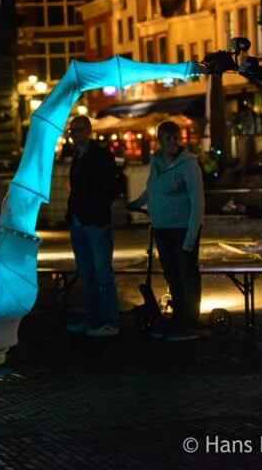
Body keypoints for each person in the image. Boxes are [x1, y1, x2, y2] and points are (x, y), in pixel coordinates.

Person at [128, 121, 205, 342]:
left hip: (182, 228)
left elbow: (197, 202)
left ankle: (189, 325)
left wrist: (191, 237)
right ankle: (179, 319)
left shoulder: (189, 166)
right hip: (162, 228)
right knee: (172, 275)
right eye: (168, 138)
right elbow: (152, 188)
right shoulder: (157, 161)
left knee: (187, 276)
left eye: (176, 138)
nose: (173, 142)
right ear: (160, 141)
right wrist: (138, 203)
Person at [64, 116, 120, 337]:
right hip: (80, 221)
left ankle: (110, 321)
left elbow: (109, 189)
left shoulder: (100, 156)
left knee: (102, 274)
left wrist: (96, 212)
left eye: (78, 130)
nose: (74, 134)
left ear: (88, 130)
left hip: (94, 222)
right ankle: (94, 319)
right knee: (87, 275)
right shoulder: (79, 156)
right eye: (72, 131)